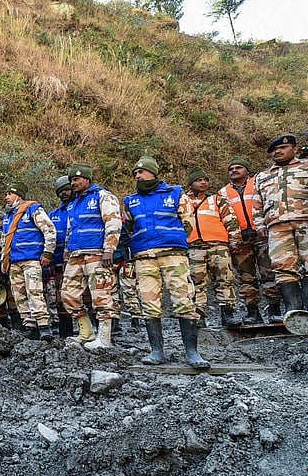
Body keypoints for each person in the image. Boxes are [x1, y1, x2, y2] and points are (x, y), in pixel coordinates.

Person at [123, 156, 210, 369]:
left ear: (153, 172)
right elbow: (128, 228)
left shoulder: (175, 193)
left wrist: (174, 240)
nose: (137, 175)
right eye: (135, 173)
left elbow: (188, 222)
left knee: (184, 299)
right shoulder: (130, 201)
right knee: (149, 302)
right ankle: (156, 351)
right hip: (144, 256)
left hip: (173, 254)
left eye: (141, 172)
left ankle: (192, 352)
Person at [253, 134, 308, 313]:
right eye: (274, 150)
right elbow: (257, 203)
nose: (277, 152)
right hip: (276, 226)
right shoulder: (262, 176)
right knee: (282, 266)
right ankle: (293, 310)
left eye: (282, 148)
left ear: (294, 149)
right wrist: (260, 225)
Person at [60, 164, 122, 349]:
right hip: (76, 255)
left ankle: (104, 338)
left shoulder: (103, 196)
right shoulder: (73, 204)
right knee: (67, 294)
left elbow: (113, 222)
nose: (73, 183)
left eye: (77, 179)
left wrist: (109, 249)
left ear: (87, 179)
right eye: (71, 180)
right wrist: (66, 254)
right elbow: (70, 230)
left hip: (97, 254)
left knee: (101, 295)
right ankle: (86, 332)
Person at [219, 156, 279, 324]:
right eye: (231, 169)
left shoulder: (258, 184)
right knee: (246, 277)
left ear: (247, 170)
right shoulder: (222, 192)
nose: (234, 171)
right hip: (240, 239)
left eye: (238, 167)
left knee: (269, 273)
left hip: (262, 235)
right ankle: (252, 312)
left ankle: (275, 310)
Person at [184, 167, 241, 327]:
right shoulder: (182, 201)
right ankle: (198, 316)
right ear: (190, 184)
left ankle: (228, 314)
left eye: (205, 180)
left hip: (219, 247)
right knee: (196, 283)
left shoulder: (217, 200)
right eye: (198, 180)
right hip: (194, 247)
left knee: (225, 280)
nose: (203, 182)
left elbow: (231, 220)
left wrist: (235, 240)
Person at [1, 182, 57, 341]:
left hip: (31, 259)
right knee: (19, 296)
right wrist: (3, 263)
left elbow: (49, 229)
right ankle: (29, 326)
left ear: (18, 195)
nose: (6, 197)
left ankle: (44, 326)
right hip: (14, 262)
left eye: (9, 194)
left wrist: (48, 252)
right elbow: (5, 242)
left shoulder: (33, 209)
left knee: (34, 292)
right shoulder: (8, 217)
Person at [48, 176, 75, 338]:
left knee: (88, 297)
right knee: (61, 298)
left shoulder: (79, 207)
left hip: (80, 258)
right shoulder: (54, 215)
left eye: (66, 190)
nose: (63, 194)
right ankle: (66, 333)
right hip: (59, 264)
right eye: (60, 192)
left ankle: (99, 331)